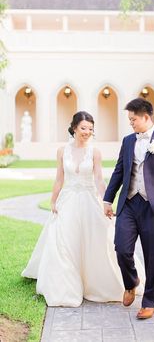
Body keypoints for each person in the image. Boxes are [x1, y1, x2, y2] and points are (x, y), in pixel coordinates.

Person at [22, 111, 144, 307]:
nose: (87, 132)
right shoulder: (62, 151)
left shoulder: (95, 152)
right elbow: (59, 178)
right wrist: (53, 201)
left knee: (95, 239)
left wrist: (107, 200)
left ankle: (99, 281)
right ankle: (66, 285)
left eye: (90, 129)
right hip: (68, 200)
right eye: (83, 128)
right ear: (74, 128)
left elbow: (98, 178)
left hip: (89, 199)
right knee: (65, 241)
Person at [104, 98, 154, 319]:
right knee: (122, 249)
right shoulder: (128, 141)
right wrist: (108, 199)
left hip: (153, 207)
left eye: (133, 119)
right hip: (128, 203)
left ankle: (149, 302)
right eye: (129, 120)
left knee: (152, 256)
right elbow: (119, 171)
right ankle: (131, 282)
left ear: (146, 116)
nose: (131, 123)